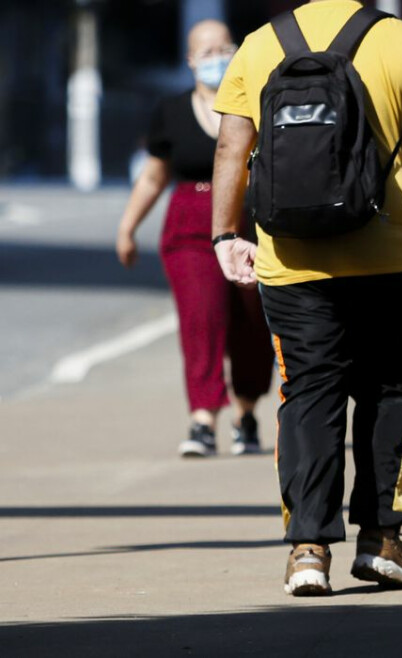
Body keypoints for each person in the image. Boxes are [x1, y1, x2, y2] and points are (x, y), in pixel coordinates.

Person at [210, 0, 402, 596]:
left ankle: (308, 550)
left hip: (291, 258)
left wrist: (226, 234)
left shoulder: (259, 44)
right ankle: (382, 540)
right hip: (390, 254)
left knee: (308, 393)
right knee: (389, 389)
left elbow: (231, 145)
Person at [115, 20, 274, 458]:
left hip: (250, 220)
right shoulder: (171, 110)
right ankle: (203, 418)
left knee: (253, 322)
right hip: (190, 225)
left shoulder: (259, 102)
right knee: (201, 317)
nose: (217, 59)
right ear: (190, 60)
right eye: (207, 53)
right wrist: (128, 228)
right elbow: (153, 177)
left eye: (225, 49)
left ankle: (246, 412)